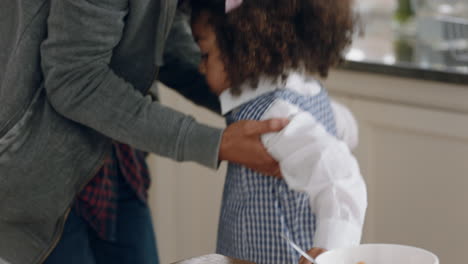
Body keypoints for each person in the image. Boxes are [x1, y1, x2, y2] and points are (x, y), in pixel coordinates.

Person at [0, 1, 290, 263]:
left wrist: (251, 99)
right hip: (38, 169)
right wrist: (213, 143)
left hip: (115, 160)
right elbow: (75, 80)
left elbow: (160, 44)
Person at [189, 0, 367, 263]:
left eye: (205, 55)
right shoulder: (306, 92)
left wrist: (332, 247)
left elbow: (339, 175)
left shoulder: (273, 117)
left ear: (241, 49)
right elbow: (348, 128)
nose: (200, 67)